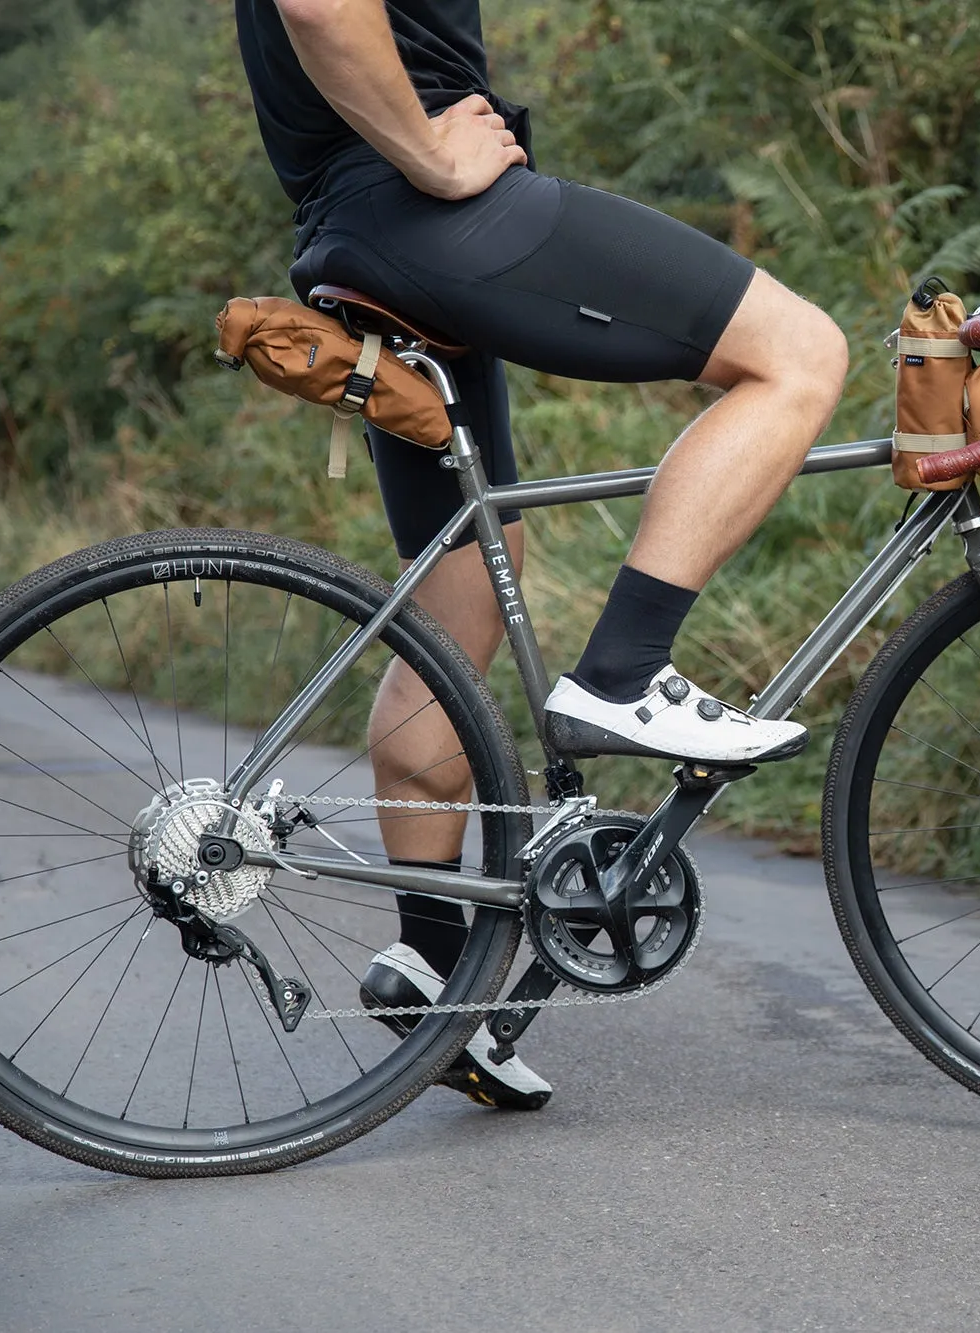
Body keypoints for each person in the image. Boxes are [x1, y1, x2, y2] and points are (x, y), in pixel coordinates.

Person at [232, 0, 849, 1109]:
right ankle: (621, 678)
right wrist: (429, 149)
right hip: (424, 211)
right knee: (800, 355)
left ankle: (432, 968)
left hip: (362, 233)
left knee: (460, 621)